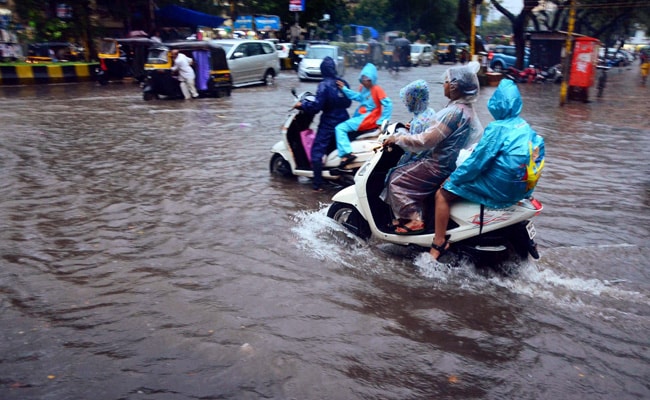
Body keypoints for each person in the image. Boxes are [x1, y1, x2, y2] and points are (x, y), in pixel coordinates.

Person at [429, 79, 545, 259]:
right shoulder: (524, 126)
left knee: (442, 194)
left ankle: (438, 242)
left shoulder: (498, 128)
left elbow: (477, 162)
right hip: (521, 189)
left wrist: (453, 179)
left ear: (498, 103)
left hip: (501, 189)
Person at [381, 61, 483, 235]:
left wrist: (397, 138)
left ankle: (414, 219)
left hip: (438, 164)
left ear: (454, 87)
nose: (443, 85)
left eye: (446, 82)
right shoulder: (465, 109)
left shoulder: (453, 112)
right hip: (451, 163)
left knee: (395, 178)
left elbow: (425, 140)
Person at [294, 56, 352, 191]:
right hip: (344, 120)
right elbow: (348, 102)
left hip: (329, 123)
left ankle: (317, 185)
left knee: (316, 152)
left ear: (322, 70)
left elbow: (316, 106)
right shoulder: (342, 83)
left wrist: (303, 105)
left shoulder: (323, 85)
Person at [334, 63, 392, 168]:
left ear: (372, 79)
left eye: (368, 79)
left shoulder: (377, 89)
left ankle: (347, 154)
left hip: (368, 119)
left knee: (340, 128)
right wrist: (344, 89)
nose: (366, 81)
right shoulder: (363, 88)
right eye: (364, 78)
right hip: (362, 117)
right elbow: (358, 97)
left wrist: (381, 121)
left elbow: (388, 104)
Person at [394, 79, 436, 167]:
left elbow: (414, 148)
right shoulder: (429, 112)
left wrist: (396, 139)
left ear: (415, 99)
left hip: (419, 162)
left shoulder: (419, 122)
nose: (406, 103)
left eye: (408, 99)